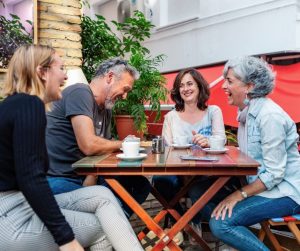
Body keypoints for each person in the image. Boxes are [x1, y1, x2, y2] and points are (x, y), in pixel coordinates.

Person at [0, 45, 143, 251]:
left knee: (103, 196)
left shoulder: (17, 104)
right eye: (61, 68)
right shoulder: (29, 106)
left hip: (17, 206)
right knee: (105, 228)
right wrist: (65, 238)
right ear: (42, 72)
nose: (65, 77)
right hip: (11, 218)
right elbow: (31, 179)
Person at [209, 56, 300, 251]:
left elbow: (275, 174)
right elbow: (249, 157)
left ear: (249, 86)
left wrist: (239, 195)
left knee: (221, 223)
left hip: (287, 194)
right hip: (266, 189)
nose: (224, 86)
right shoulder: (246, 114)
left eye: (230, 81)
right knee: (203, 193)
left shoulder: (269, 116)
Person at [46, 58, 151, 218]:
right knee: (107, 199)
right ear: (109, 77)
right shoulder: (80, 93)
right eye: (125, 89)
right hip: (60, 178)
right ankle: (111, 230)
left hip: (83, 175)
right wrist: (122, 144)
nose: (124, 96)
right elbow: (89, 145)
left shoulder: (106, 108)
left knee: (140, 184)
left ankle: (109, 229)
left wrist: (93, 175)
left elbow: (103, 149)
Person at [153, 68, 237, 232]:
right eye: (181, 85)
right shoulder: (171, 117)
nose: (185, 89)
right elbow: (166, 149)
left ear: (199, 86)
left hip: (207, 173)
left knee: (198, 190)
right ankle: (183, 219)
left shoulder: (213, 112)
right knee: (160, 180)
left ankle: (199, 224)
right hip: (178, 172)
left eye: (190, 84)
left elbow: (222, 140)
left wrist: (208, 142)